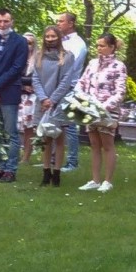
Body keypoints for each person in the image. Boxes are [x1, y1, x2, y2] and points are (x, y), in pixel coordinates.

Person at [0, 8, 29, 183]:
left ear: (11, 21)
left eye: (6, 21)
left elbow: (17, 68)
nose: (2, 24)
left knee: (10, 133)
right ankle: (1, 166)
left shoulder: (20, 42)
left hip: (9, 91)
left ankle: (11, 169)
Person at [75, 33, 127, 193]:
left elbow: (120, 91)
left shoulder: (118, 66)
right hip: (89, 110)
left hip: (107, 112)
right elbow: (82, 82)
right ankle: (95, 180)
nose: (98, 48)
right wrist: (81, 97)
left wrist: (104, 107)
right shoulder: (92, 63)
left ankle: (107, 181)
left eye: (102, 45)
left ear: (111, 47)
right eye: (97, 45)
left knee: (107, 145)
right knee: (94, 145)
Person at [31, 25, 76, 187]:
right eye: (47, 36)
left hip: (59, 102)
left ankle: (57, 173)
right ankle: (46, 172)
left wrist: (53, 100)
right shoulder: (38, 56)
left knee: (58, 138)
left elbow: (66, 81)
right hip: (42, 102)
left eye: (53, 36)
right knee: (45, 138)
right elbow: (35, 79)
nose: (50, 39)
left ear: (59, 38)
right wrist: (43, 99)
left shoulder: (67, 56)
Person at [56, 12, 88, 172]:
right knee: (55, 123)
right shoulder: (59, 41)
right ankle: (54, 159)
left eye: (61, 21)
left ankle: (72, 161)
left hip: (70, 87)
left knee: (70, 125)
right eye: (57, 21)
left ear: (71, 23)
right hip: (56, 86)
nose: (58, 24)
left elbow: (70, 65)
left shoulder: (77, 43)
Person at [18, 32, 38, 164]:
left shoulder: (38, 59)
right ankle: (19, 153)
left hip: (33, 97)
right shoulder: (16, 58)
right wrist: (23, 86)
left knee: (29, 127)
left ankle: (26, 156)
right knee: (18, 127)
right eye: (24, 42)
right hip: (18, 95)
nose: (27, 45)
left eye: (30, 43)